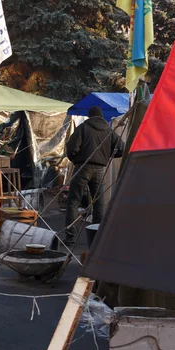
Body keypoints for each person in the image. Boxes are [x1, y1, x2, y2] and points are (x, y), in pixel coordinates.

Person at [63, 106, 124, 247]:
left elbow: (72, 147)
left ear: (90, 116)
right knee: (98, 202)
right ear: (101, 116)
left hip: (82, 167)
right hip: (100, 169)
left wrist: (75, 158)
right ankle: (96, 236)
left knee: (74, 201)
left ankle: (70, 237)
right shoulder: (109, 130)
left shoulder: (83, 128)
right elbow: (121, 148)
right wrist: (107, 156)